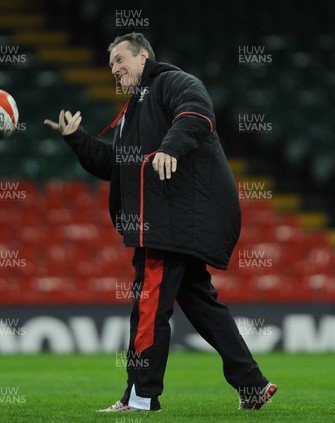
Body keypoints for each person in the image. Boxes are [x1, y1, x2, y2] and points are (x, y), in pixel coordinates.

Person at [44, 32, 276, 412]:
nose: (115, 70)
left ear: (143, 56)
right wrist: (77, 139)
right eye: (111, 65)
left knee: (148, 306)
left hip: (168, 221)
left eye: (120, 60)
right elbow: (114, 167)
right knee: (202, 306)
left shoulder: (171, 81)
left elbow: (198, 113)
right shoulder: (132, 112)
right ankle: (252, 383)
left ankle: (141, 396)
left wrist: (170, 147)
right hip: (172, 220)